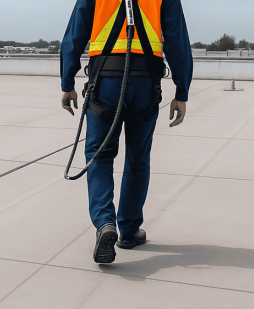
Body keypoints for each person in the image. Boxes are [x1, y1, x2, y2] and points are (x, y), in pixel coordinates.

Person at [60, 0, 193, 263]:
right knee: (138, 158)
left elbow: (75, 33)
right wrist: (182, 91)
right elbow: (177, 39)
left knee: (99, 155)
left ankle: (104, 223)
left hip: (105, 81)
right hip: (145, 82)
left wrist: (67, 82)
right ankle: (129, 231)